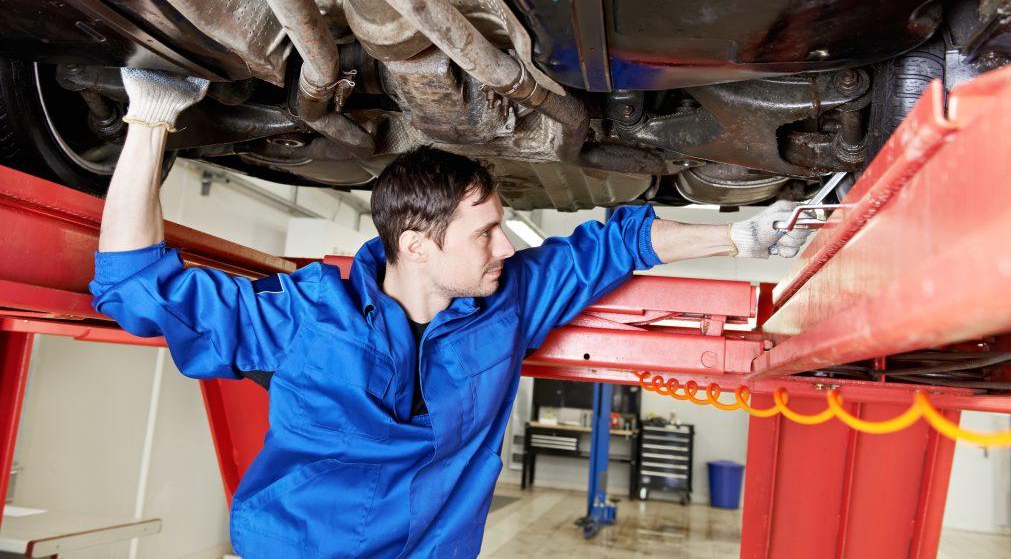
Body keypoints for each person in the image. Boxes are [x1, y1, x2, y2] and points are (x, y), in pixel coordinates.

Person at [90, 69, 809, 558]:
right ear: (417, 246)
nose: (505, 246)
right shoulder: (308, 316)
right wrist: (150, 117)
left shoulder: (505, 303)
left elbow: (615, 243)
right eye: (485, 232)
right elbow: (133, 287)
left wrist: (737, 235)